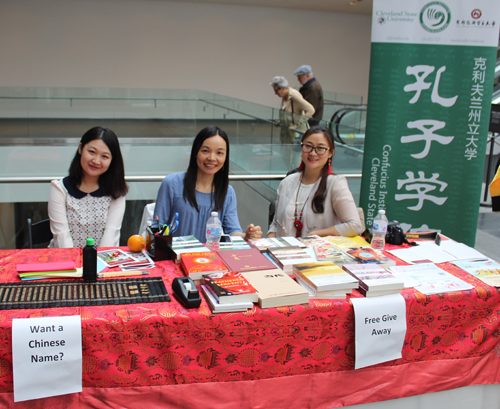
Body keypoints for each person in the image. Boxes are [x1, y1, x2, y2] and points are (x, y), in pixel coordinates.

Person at [154, 125, 262, 243]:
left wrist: (246, 236)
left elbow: (232, 231)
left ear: (225, 157)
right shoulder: (171, 184)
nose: (212, 158)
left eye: (219, 153)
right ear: (196, 152)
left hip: (210, 259)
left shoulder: (227, 192)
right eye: (205, 151)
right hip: (176, 258)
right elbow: (157, 228)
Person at [268, 125, 363, 238]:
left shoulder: (335, 184)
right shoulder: (287, 182)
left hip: (318, 253)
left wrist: (317, 234)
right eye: (308, 146)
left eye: (320, 148)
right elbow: (275, 225)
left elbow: (355, 225)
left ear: (330, 153)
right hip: (284, 252)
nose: (313, 153)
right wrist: (269, 245)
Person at [48, 127, 128, 248]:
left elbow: (110, 237)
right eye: (92, 152)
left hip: (102, 261)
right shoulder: (60, 189)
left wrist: (96, 265)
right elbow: (62, 237)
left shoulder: (116, 192)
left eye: (105, 157)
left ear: (112, 161)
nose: (96, 161)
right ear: (80, 148)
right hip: (66, 260)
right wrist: (76, 266)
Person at [270, 76, 315, 145]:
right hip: (288, 133)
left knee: (297, 154)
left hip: (297, 134)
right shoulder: (285, 96)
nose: (275, 93)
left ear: (283, 88)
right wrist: (281, 121)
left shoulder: (294, 96)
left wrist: (297, 124)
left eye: (276, 91)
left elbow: (311, 109)